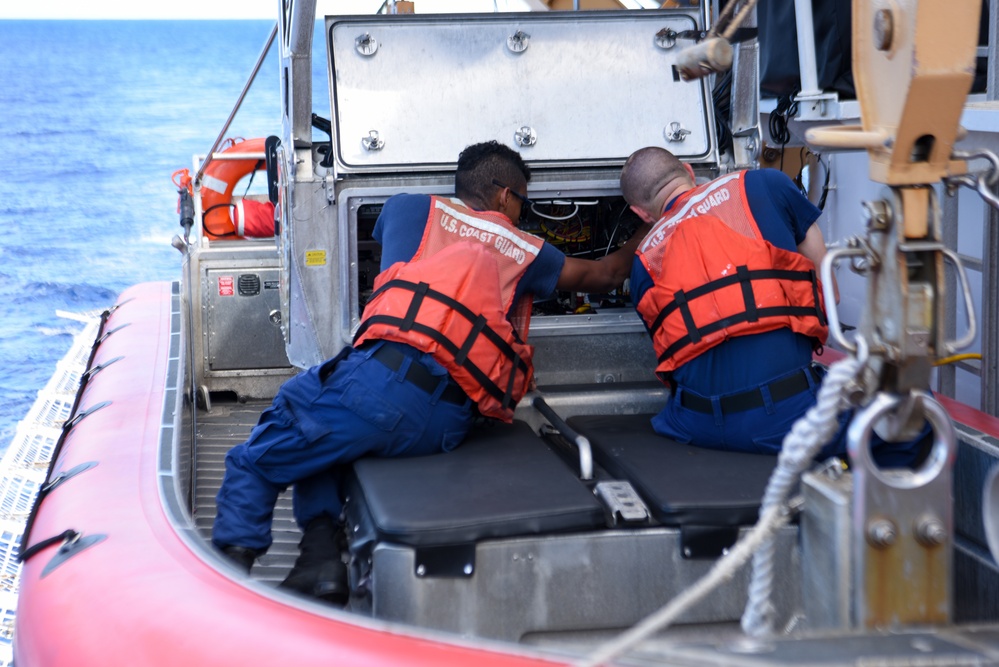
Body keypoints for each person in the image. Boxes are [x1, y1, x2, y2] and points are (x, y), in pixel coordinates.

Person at [213, 140, 647, 602]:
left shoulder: (409, 209)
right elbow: (607, 274)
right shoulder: (527, 250)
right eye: (524, 201)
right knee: (322, 440)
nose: (524, 212)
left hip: (381, 389)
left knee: (258, 456)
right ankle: (318, 564)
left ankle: (225, 590)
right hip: (448, 421)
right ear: (505, 196)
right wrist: (654, 220)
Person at [620, 146, 922, 466]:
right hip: (783, 417)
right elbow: (827, 299)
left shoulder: (642, 265)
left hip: (693, 424)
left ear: (641, 213)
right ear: (689, 170)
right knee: (914, 412)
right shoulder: (765, 184)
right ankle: (867, 508)